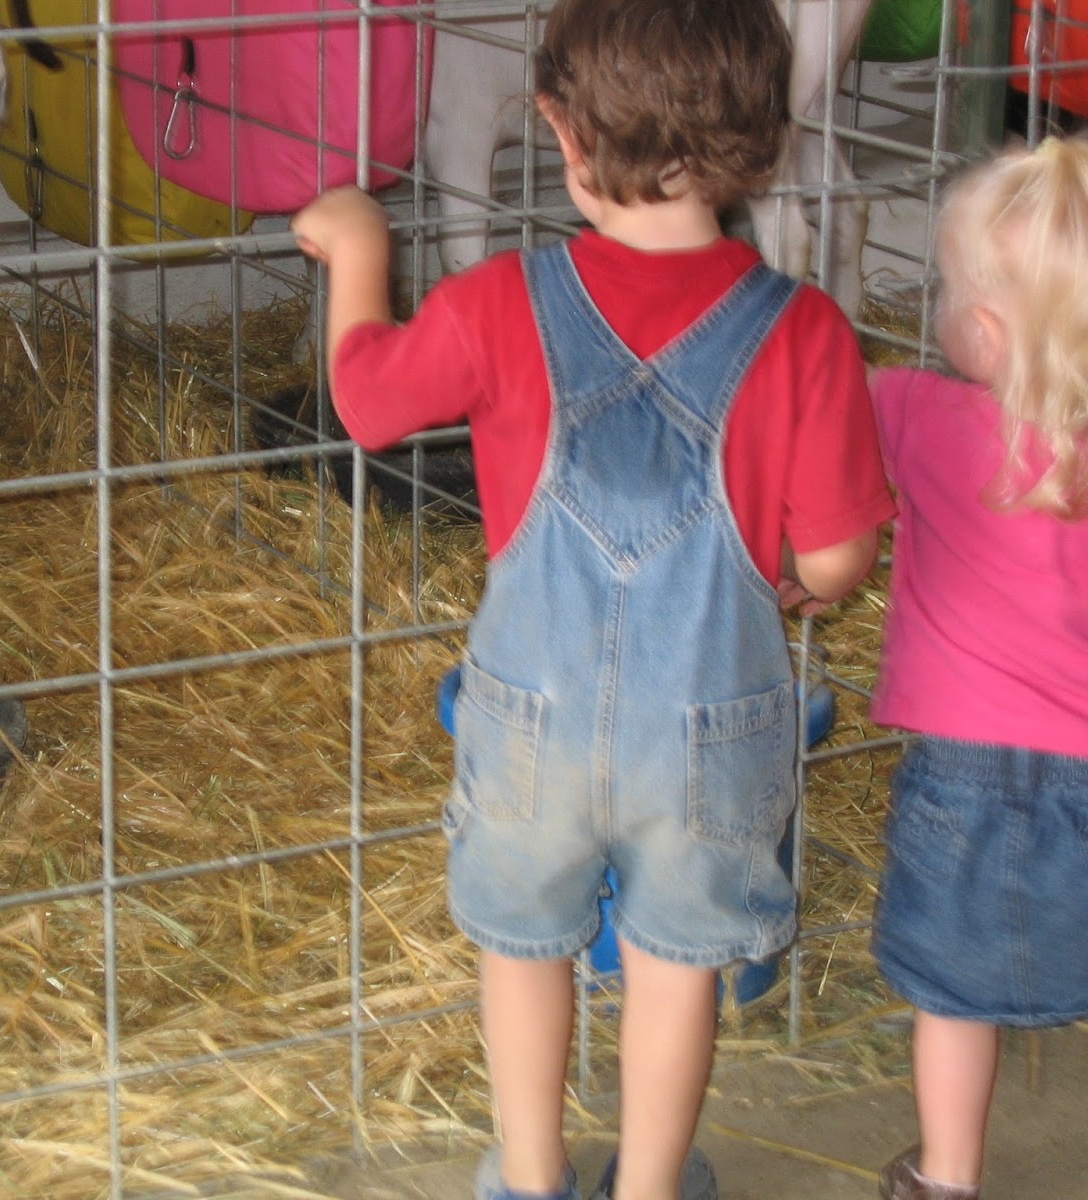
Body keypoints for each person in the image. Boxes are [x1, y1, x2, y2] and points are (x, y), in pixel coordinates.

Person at [292, 1, 893, 1196]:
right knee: (675, 964)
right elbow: (835, 565)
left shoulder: (497, 302)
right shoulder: (806, 330)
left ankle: (529, 1176)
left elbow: (364, 405)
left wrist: (360, 248)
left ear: (561, 136)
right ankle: (651, 1188)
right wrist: (769, 575)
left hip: (531, 723)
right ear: (762, 142)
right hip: (710, 735)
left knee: (524, 947)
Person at [868, 134, 1088, 1200]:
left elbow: (821, 477)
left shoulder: (914, 415)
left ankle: (947, 1175)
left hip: (957, 783)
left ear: (978, 326)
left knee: (952, 997)